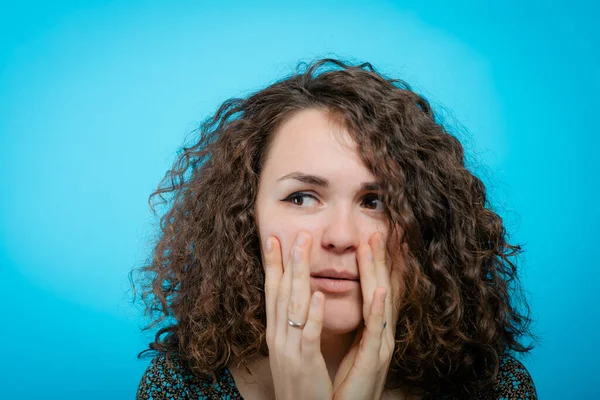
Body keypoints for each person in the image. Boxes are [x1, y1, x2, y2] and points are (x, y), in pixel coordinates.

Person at [132, 58, 538, 399]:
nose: (341, 237)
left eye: (375, 202)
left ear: (425, 223)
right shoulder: (180, 386)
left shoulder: (495, 388)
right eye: (302, 197)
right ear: (244, 215)